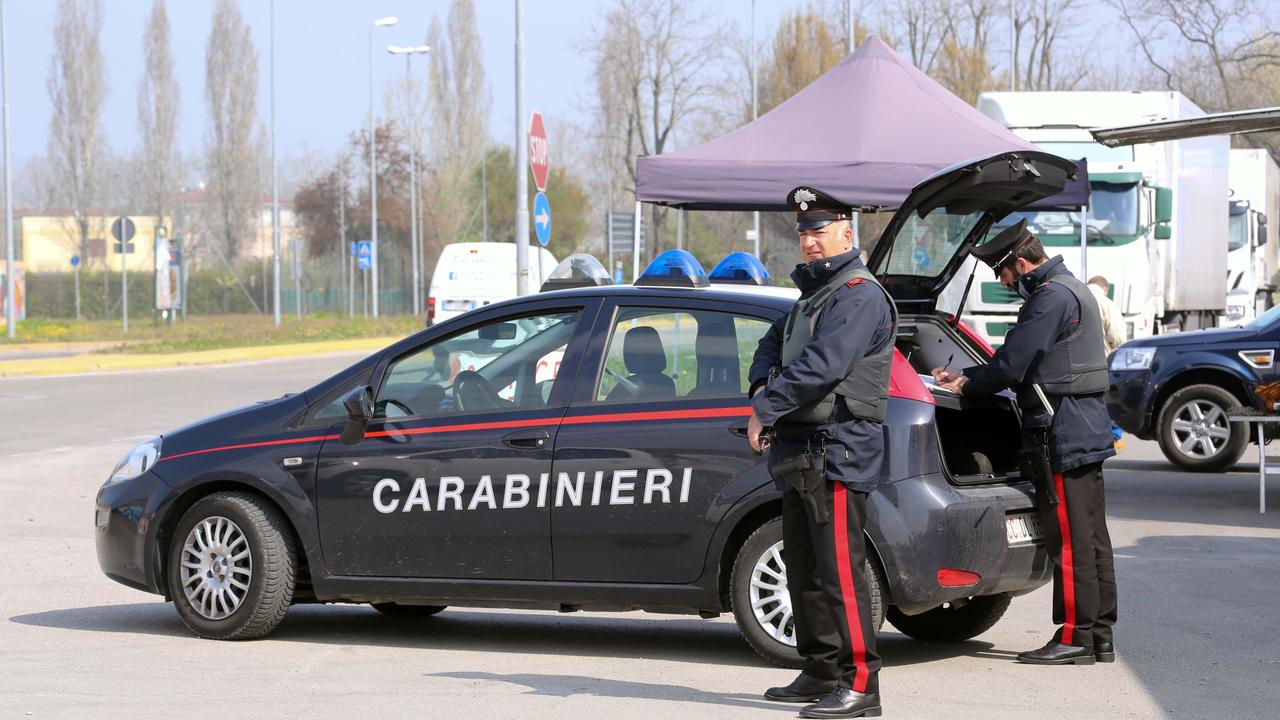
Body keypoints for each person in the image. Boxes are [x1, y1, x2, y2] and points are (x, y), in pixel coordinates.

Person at [932, 219, 1118, 666]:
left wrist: (965, 385)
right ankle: (1099, 635)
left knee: (1072, 538)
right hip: (1084, 426)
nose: (1003, 282)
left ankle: (1075, 635)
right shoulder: (1074, 289)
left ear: (1020, 262)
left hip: (1063, 428)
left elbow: (1013, 364)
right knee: (1092, 535)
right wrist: (972, 375)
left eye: (1004, 273)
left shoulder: (1049, 298)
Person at [747, 186, 896, 719]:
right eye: (804, 232)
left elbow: (823, 367)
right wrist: (762, 388)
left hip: (839, 449)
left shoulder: (857, 293)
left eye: (820, 230)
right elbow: (772, 343)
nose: (810, 241)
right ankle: (821, 668)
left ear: (846, 232)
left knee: (840, 571)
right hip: (802, 450)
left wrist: (766, 409)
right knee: (803, 569)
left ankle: (860, 683)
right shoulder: (817, 294)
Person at [1088, 275, 1128, 449]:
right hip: (1101, 363)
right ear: (1105, 288)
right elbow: (1118, 338)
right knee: (1106, 401)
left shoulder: (1072, 298)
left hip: (1073, 365)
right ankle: (1113, 438)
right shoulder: (1107, 304)